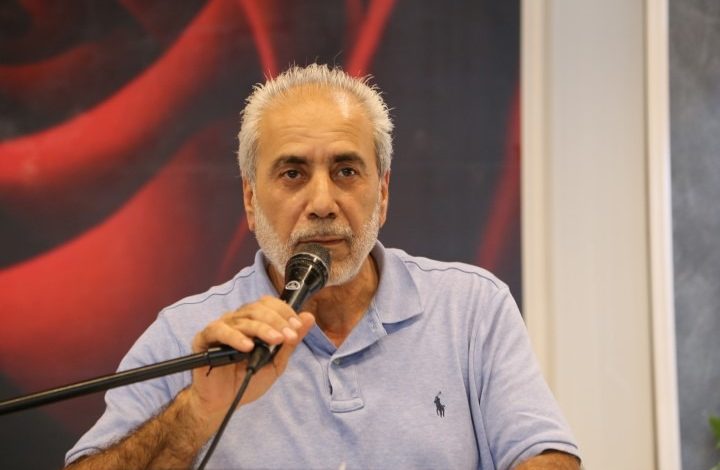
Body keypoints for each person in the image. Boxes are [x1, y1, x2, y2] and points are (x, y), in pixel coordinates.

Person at [64, 64, 581, 469]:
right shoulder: (185, 334)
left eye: (346, 171)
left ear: (382, 193)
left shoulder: (471, 309)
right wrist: (197, 410)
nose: (322, 203)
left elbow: (547, 458)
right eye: (292, 173)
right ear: (250, 199)